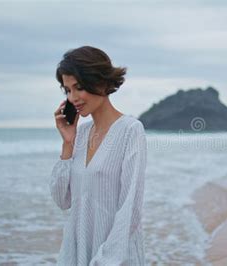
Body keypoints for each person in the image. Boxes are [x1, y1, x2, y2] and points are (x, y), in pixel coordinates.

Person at [49, 45, 147, 265]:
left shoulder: (130, 130)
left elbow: (129, 209)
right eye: (67, 90)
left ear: (101, 82)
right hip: (76, 255)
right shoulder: (81, 134)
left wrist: (104, 261)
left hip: (115, 258)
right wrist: (67, 143)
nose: (73, 97)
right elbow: (61, 199)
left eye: (79, 87)